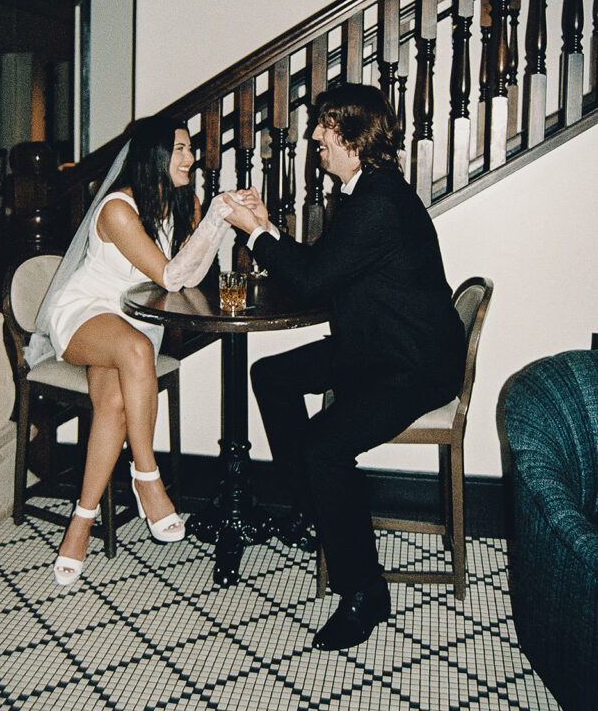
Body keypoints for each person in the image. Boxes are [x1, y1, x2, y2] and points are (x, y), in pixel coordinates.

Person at [222, 84, 466, 651]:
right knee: (272, 376)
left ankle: (365, 593)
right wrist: (269, 228)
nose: (313, 139)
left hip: (412, 364)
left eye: (323, 129)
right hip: (377, 345)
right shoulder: (366, 193)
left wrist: (253, 233)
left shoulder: (378, 201)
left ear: (352, 138)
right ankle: (315, 510)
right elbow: (323, 268)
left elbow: (308, 281)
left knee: (325, 447)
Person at [25, 115, 232, 586]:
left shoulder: (185, 204)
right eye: (179, 149)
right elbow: (170, 277)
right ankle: (147, 477)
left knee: (115, 401)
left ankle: (80, 524)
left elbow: (192, 272)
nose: (190, 158)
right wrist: (218, 216)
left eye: (190, 149)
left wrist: (211, 220)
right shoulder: (118, 209)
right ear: (153, 156)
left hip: (134, 325)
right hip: (86, 316)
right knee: (136, 350)